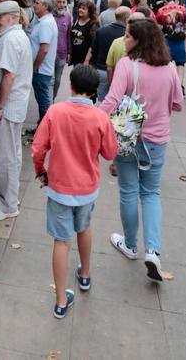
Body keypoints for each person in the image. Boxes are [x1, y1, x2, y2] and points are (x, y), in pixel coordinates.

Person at [32, 64, 118, 318]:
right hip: (87, 188)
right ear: (94, 92)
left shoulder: (55, 112)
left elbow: (38, 149)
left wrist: (41, 171)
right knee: (85, 226)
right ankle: (85, 274)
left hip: (59, 187)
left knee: (61, 241)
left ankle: (61, 300)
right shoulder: (101, 117)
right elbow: (110, 153)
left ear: (71, 85)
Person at [100, 20, 183, 281]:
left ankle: (130, 244)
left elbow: (112, 100)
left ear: (139, 40)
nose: (124, 40)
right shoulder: (169, 67)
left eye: (128, 36)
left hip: (128, 138)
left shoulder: (127, 65)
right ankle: (153, 251)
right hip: (157, 139)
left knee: (128, 190)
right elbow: (178, 103)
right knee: (151, 193)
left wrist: (93, 119)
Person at [0, 1, 33, 222]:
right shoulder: (12, 36)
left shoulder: (12, 38)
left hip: (8, 107)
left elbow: (8, 76)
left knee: (6, 157)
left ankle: (9, 205)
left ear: (12, 17)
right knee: (10, 155)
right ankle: (6, 196)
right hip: (10, 105)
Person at [90, 6, 131, 103]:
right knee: (118, 102)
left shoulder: (101, 31)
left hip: (102, 70)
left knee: (102, 102)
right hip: (119, 75)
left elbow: (94, 51)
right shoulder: (128, 36)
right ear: (126, 19)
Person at [30, 0, 59, 122]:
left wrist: (35, 66)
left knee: (43, 102)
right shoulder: (43, 21)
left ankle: (46, 129)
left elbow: (44, 48)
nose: (34, 5)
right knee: (42, 100)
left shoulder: (46, 23)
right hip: (41, 69)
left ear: (45, 6)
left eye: (37, 3)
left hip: (41, 70)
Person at [52, 0, 72, 101]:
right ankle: (48, 102)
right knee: (50, 79)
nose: (62, 4)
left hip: (62, 53)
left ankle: (52, 98)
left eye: (63, 2)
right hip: (49, 54)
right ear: (54, 3)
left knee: (57, 80)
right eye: (59, 2)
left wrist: (69, 52)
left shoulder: (68, 17)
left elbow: (69, 35)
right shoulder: (49, 16)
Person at [69, 0, 98, 69]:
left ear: (90, 11)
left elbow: (93, 44)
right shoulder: (77, 20)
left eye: (84, 8)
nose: (80, 10)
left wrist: (87, 60)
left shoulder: (92, 24)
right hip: (75, 58)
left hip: (85, 60)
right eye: (80, 7)